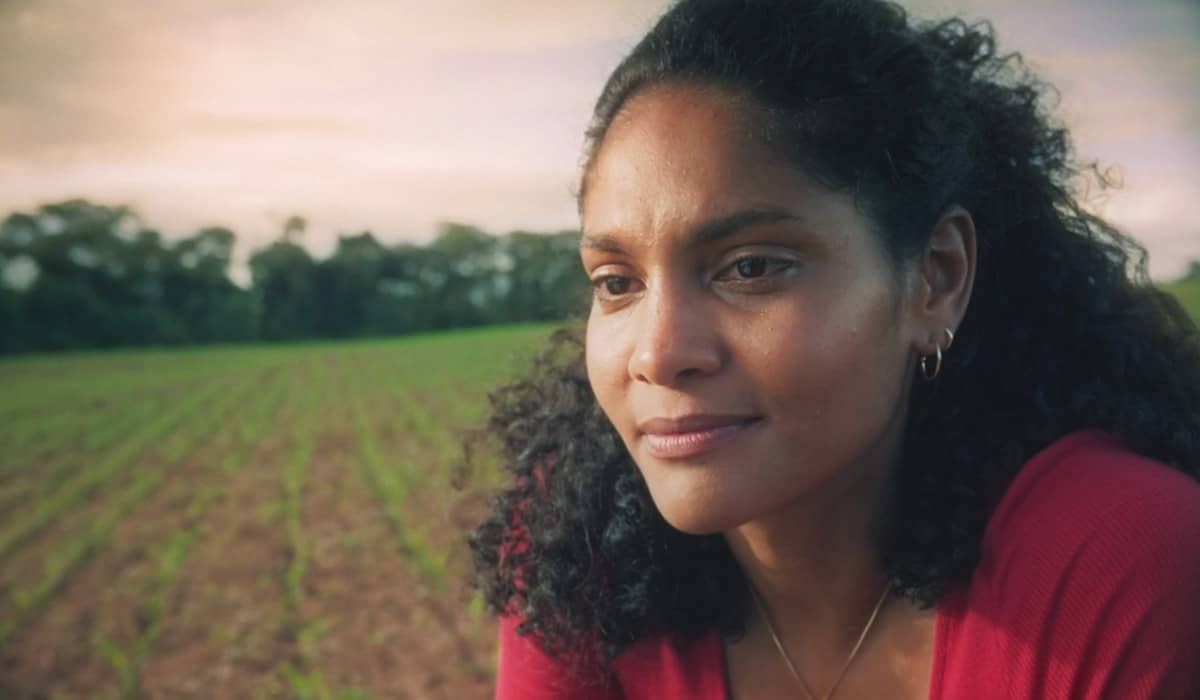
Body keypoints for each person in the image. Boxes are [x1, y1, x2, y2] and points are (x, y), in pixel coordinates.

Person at [467, 0, 1200, 697]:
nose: (657, 355)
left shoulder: (1121, 561)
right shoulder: (579, 561)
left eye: (750, 267)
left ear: (935, 279)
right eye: (618, 281)